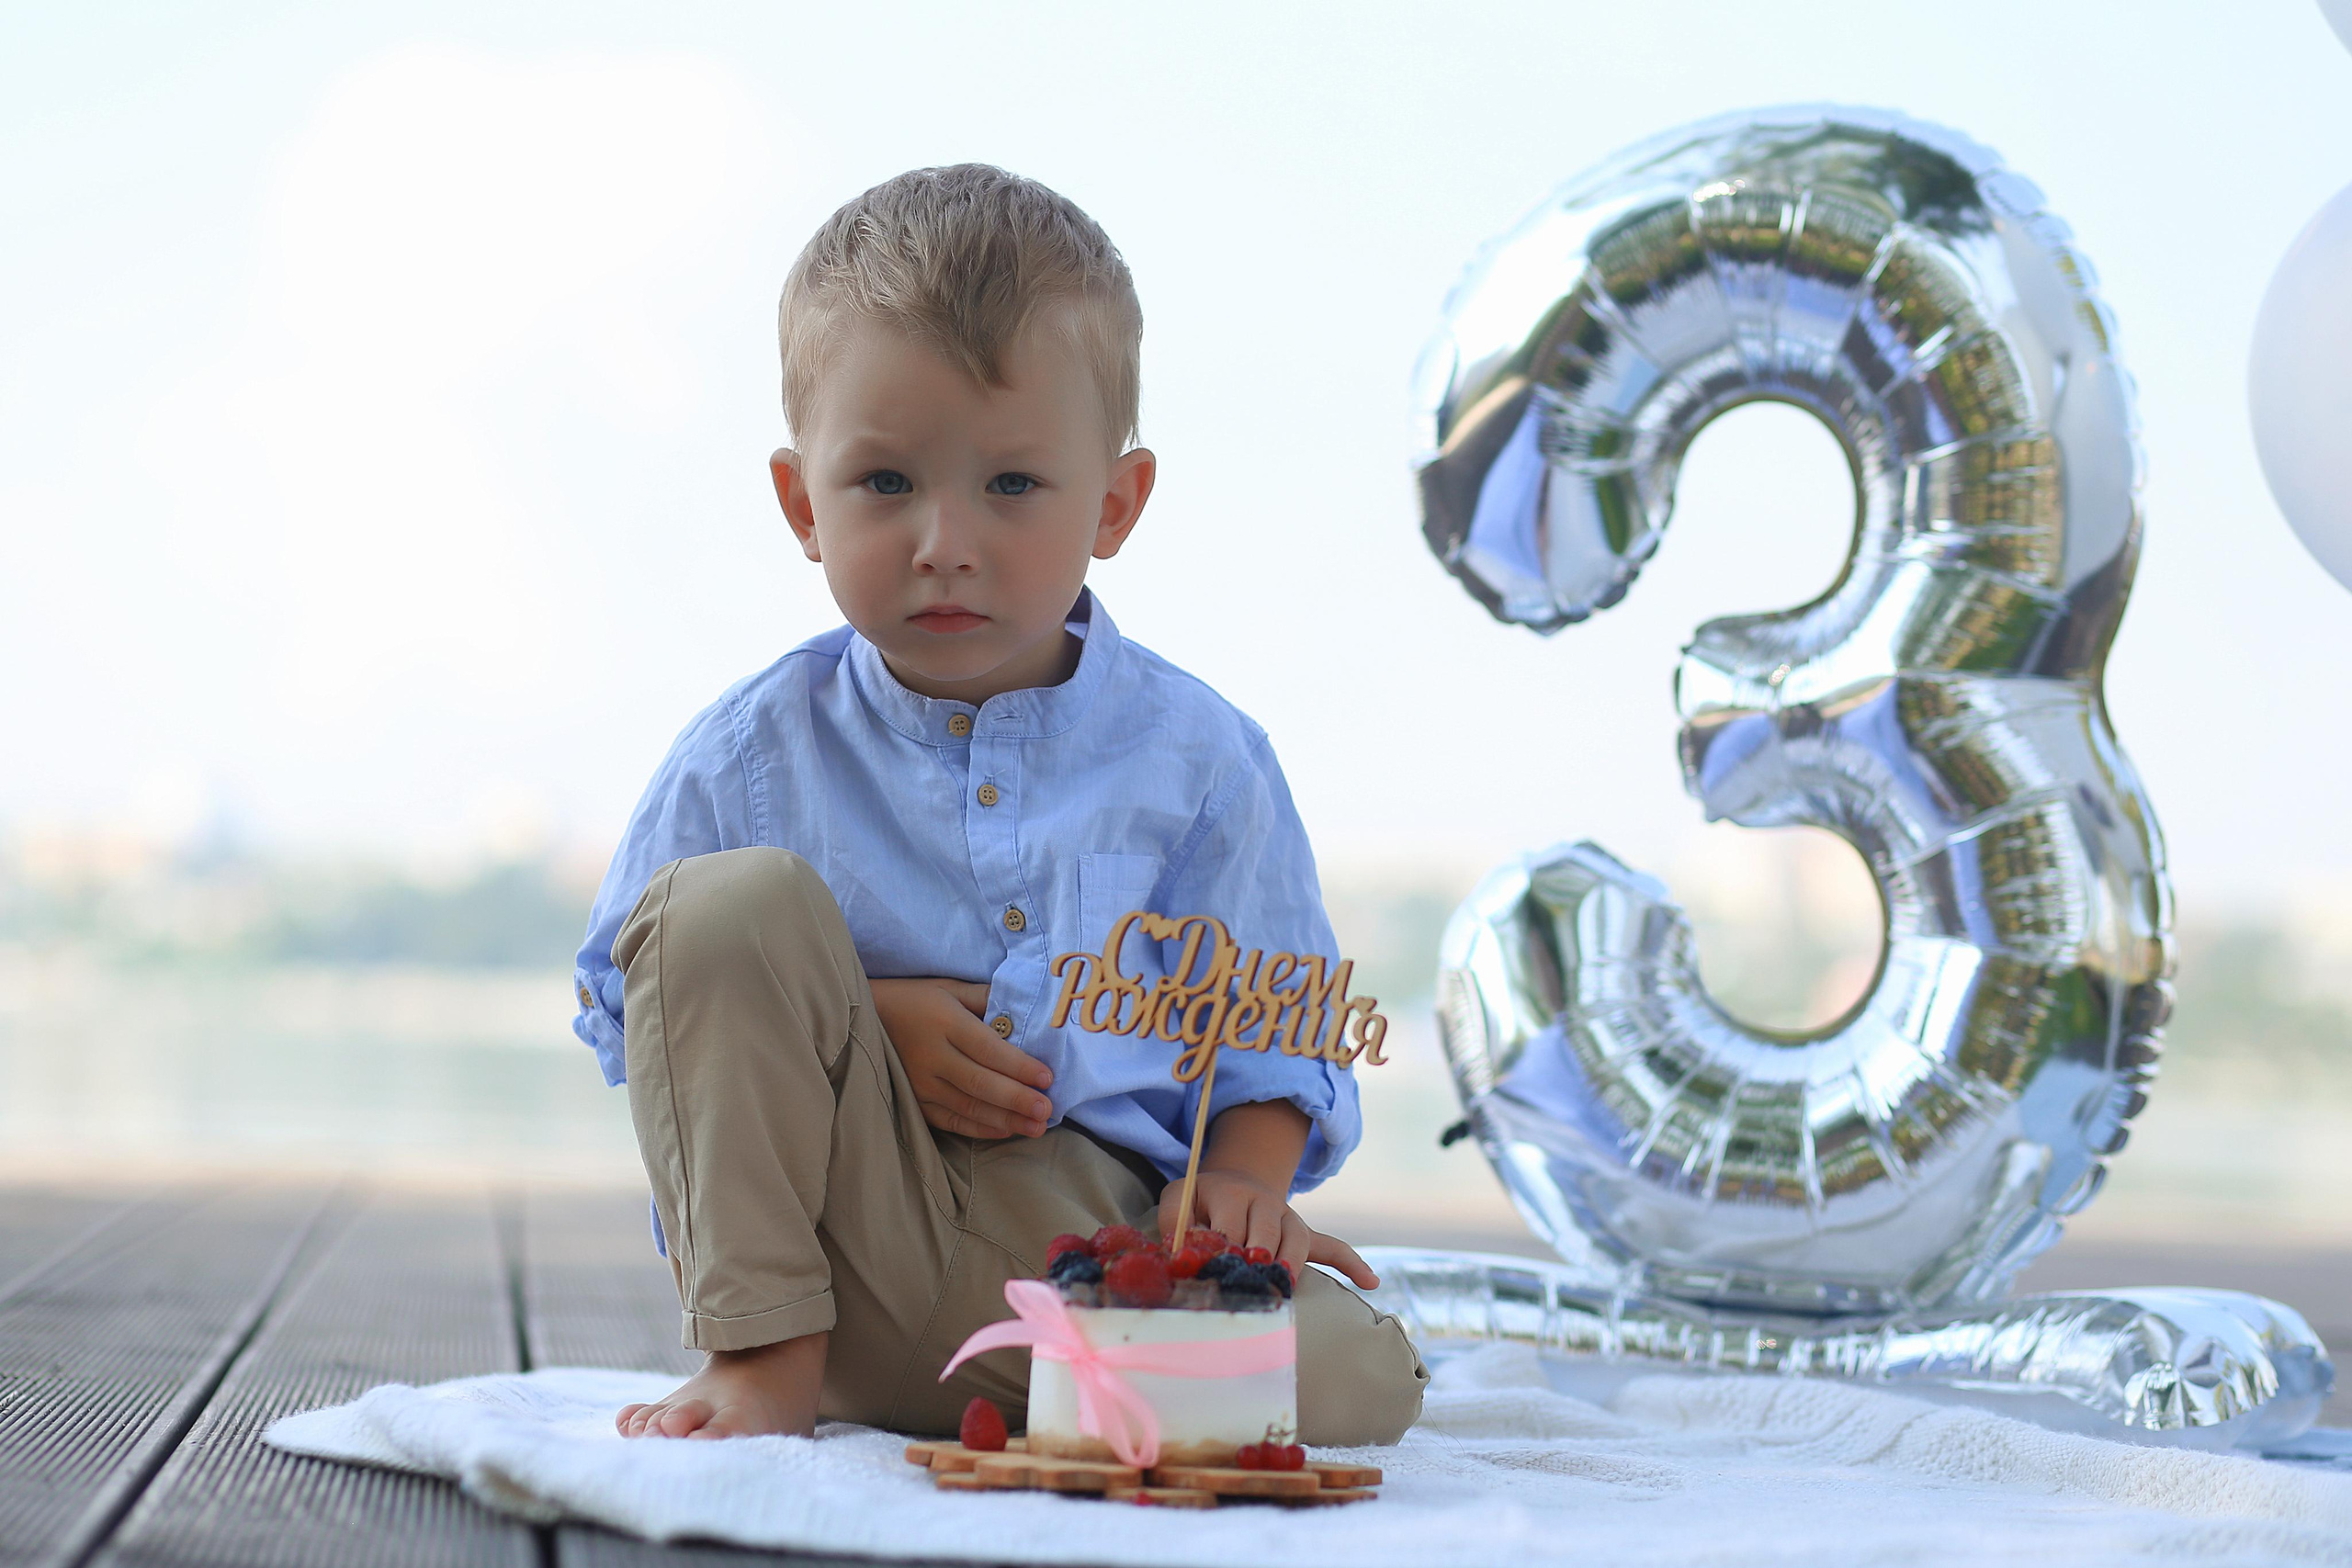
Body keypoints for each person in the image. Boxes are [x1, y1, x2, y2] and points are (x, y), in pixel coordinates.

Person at [571, 164, 1428, 1444]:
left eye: (1012, 486)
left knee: (1365, 1381)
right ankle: (766, 1366)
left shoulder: (1197, 761)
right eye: (885, 485)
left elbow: (1265, 1024)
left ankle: (1054, 1391)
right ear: (804, 504)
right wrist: (862, 1023)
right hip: (843, 1243)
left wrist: (1242, 1186)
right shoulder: (753, 758)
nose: (945, 542)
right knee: (715, 906)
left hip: (1101, 1265)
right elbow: (629, 1004)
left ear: (1115, 505)